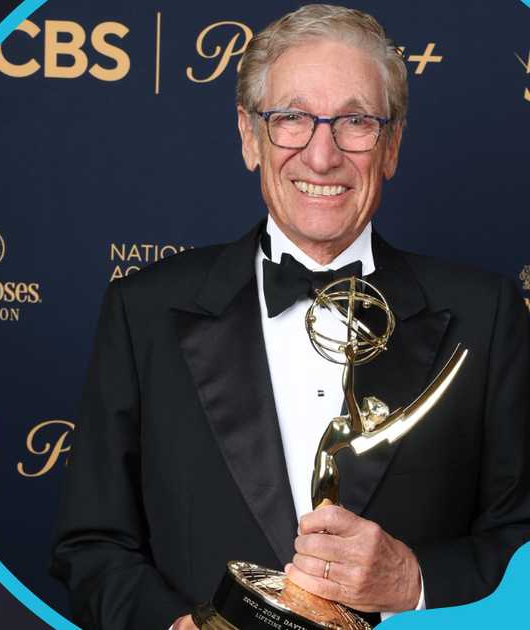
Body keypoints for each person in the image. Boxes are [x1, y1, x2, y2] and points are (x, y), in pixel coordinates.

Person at [50, 4, 530, 629]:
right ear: (249, 137)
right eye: (291, 119)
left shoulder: (485, 315)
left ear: (391, 146)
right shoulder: (143, 311)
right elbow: (91, 544)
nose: (321, 156)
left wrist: (414, 582)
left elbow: (520, 536)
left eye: (356, 121)